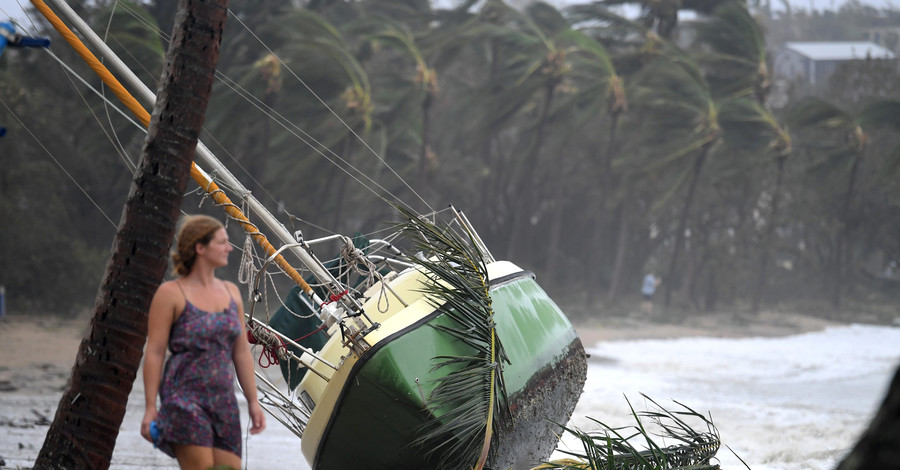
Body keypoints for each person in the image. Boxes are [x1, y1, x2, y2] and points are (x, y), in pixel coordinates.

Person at [141, 215, 265, 470]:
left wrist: (254, 401)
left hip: (224, 402)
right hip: (183, 400)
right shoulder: (171, 293)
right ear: (200, 247)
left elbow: (241, 352)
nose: (230, 248)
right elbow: (154, 352)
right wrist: (150, 406)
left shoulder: (231, 292)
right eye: (222, 242)